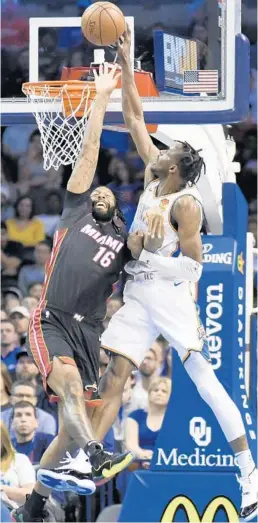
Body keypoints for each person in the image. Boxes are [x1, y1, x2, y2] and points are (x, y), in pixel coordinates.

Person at [90, 27, 258, 522]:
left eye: (169, 150)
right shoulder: (151, 176)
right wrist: (123, 61)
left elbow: (193, 266)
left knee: (205, 382)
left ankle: (249, 471)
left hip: (168, 292)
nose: (159, 149)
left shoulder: (186, 205)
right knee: (115, 369)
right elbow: (135, 117)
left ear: (180, 167)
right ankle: (88, 455)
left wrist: (145, 255)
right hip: (140, 293)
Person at [11, 64, 133, 523]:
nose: (99, 191)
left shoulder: (125, 239)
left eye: (107, 194)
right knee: (67, 391)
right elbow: (89, 153)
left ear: (118, 210)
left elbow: (145, 247)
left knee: (69, 423)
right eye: (95, 189)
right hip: (53, 319)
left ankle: (36, 501)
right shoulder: (76, 211)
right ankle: (96, 453)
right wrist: (101, 96)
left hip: (90, 334)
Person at [125, 377, 171, 465]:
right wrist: (143, 455)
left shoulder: (174, 419)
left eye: (164, 391)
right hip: (137, 463)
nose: (159, 393)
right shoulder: (135, 416)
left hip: (166, 463)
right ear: (149, 394)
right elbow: (131, 445)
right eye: (155, 390)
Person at [0, 421, 36, 511]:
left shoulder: (19, 460)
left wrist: (2, 489)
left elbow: (30, 497)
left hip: (14, 515)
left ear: (3, 439)